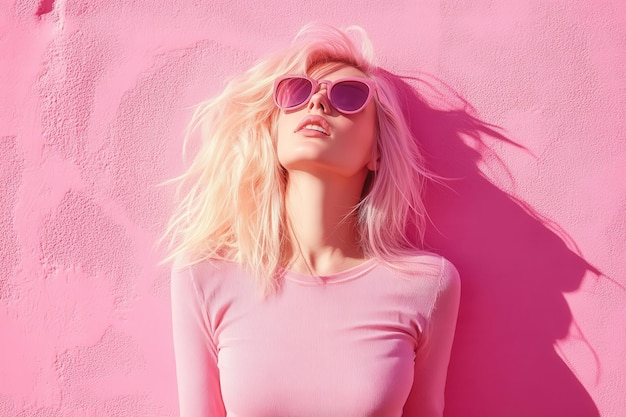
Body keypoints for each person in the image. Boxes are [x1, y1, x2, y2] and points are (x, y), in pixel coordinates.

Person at [165, 22, 460, 417]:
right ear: (274, 132)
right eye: (297, 92)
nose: (317, 103)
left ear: (377, 151)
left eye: (349, 96)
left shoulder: (428, 285)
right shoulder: (205, 277)